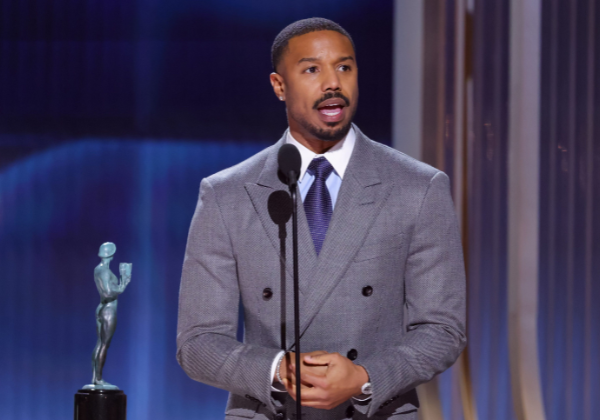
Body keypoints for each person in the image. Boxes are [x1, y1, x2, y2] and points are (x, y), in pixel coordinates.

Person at [177, 18, 466, 420]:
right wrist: (278, 371)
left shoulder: (418, 188)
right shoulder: (227, 195)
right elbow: (198, 343)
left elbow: (443, 330)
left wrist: (365, 377)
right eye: (312, 69)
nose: (333, 83)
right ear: (279, 85)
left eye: (344, 67)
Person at [86, 242, 131, 389]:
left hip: (102, 308)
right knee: (104, 344)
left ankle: (96, 377)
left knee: (100, 344)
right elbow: (107, 293)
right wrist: (122, 287)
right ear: (111, 254)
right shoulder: (104, 271)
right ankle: (98, 379)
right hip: (108, 310)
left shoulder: (98, 269)